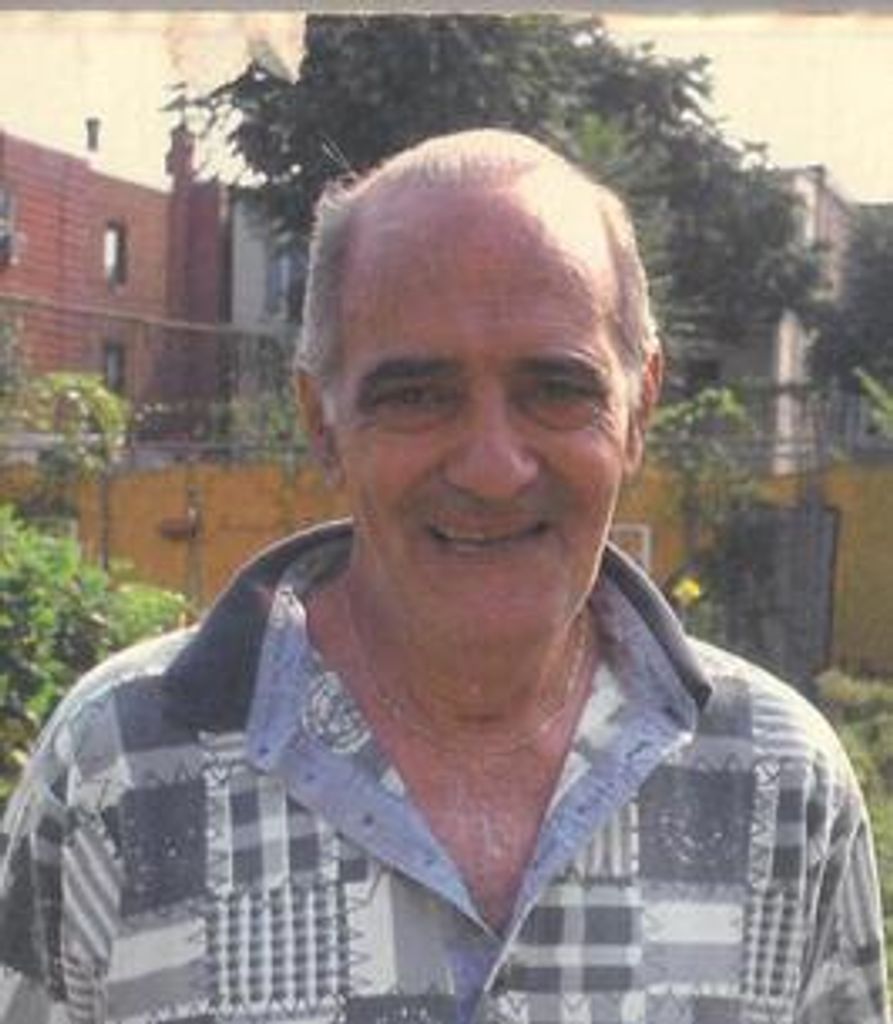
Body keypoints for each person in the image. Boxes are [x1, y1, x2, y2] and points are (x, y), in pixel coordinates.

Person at [0, 129, 888, 1024]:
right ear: (320, 421)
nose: (493, 469)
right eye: (417, 396)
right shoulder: (119, 773)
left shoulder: (781, 788)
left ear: (638, 409)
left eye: (556, 389)